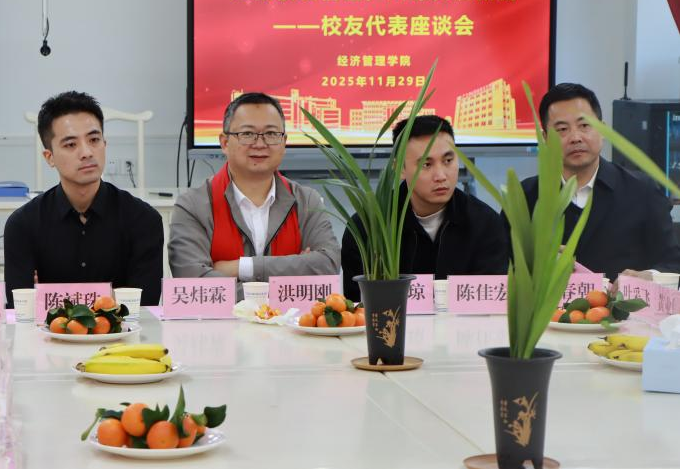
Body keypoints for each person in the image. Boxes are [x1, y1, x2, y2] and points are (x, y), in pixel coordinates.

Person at [4, 91, 163, 306]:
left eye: (94, 140)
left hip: (123, 330)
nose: (87, 152)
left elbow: (144, 305)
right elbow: (20, 308)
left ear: (105, 144)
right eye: (71, 144)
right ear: (49, 157)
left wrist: (51, 298)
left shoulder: (143, 220)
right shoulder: (23, 224)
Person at [168, 92, 340, 285]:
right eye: (247, 134)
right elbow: (194, 282)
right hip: (232, 312)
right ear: (225, 143)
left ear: (284, 142)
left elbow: (327, 265)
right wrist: (290, 278)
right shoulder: (193, 205)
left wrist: (241, 268)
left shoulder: (306, 201)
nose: (259, 144)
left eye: (271, 134)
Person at [522, 82, 680, 281]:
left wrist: (649, 277)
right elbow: (505, 269)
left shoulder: (642, 191)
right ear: (545, 138)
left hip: (623, 302)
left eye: (584, 125)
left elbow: (672, 263)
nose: (575, 137)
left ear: (602, 130)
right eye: (562, 129)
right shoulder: (525, 197)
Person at [341, 116, 509, 300]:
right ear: (400, 168)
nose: (441, 176)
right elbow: (355, 305)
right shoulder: (367, 227)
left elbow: (490, 303)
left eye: (448, 160)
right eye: (426, 165)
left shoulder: (485, 224)